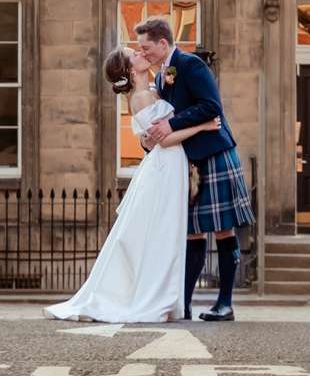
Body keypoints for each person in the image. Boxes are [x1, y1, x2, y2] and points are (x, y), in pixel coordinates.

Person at [46, 45, 219, 323]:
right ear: (129, 69)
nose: (140, 52)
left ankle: (166, 297)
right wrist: (203, 126)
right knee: (162, 234)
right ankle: (156, 298)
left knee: (165, 234)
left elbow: (154, 138)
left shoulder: (151, 90)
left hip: (170, 165)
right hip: (165, 167)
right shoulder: (140, 97)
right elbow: (165, 139)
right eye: (134, 54)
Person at [133, 14, 253, 323]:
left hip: (214, 154)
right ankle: (183, 304)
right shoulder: (162, 76)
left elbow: (212, 106)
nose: (142, 52)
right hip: (189, 161)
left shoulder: (191, 65)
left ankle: (225, 303)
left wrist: (171, 123)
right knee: (191, 233)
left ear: (163, 43)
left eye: (146, 47)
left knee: (223, 229)